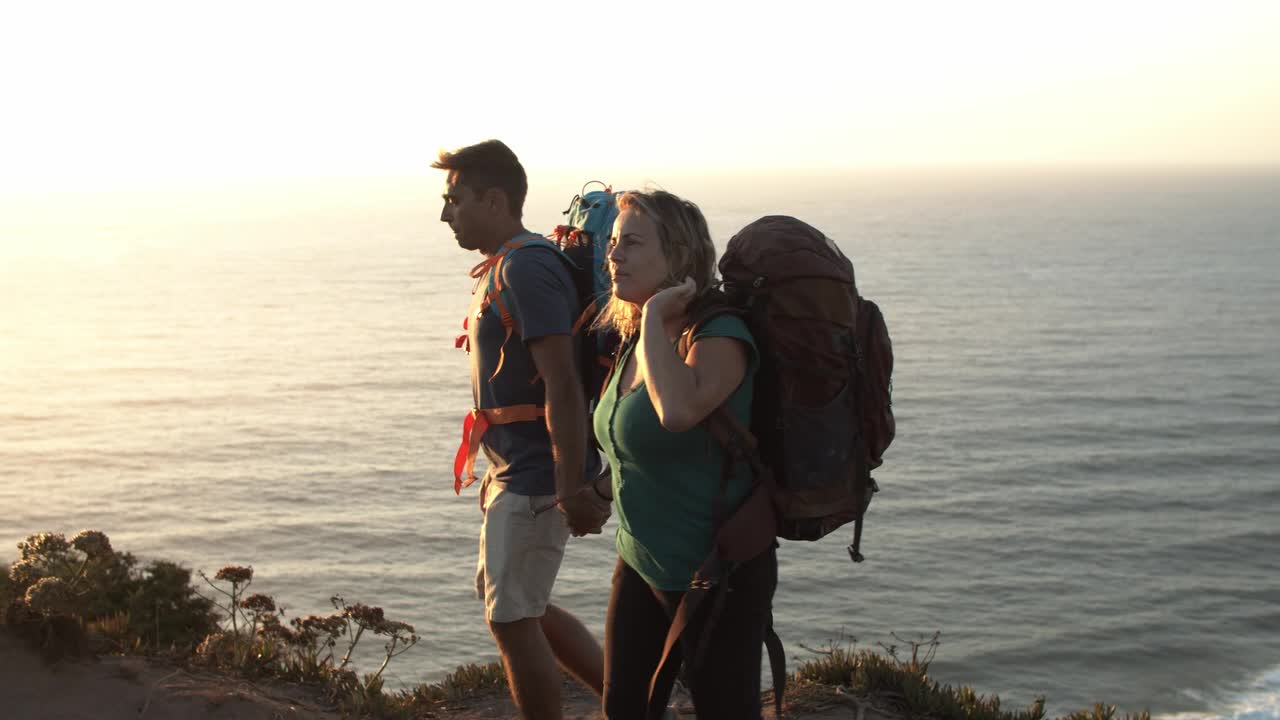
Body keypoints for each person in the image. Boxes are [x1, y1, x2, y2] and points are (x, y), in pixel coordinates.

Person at [433, 139, 608, 720]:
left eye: (454, 199)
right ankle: (634, 702)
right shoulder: (506, 265)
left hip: (537, 475)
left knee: (509, 617)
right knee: (517, 606)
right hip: (515, 469)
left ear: (494, 199)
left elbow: (561, 382)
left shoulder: (528, 267)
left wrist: (569, 486)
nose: (445, 213)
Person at [590, 190, 778, 719]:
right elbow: (634, 441)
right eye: (611, 243)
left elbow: (675, 412)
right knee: (624, 707)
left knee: (724, 711)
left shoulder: (719, 335)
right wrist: (599, 489)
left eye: (631, 242)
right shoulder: (636, 339)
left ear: (677, 255)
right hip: (640, 559)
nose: (613, 255)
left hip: (713, 573)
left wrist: (652, 318)